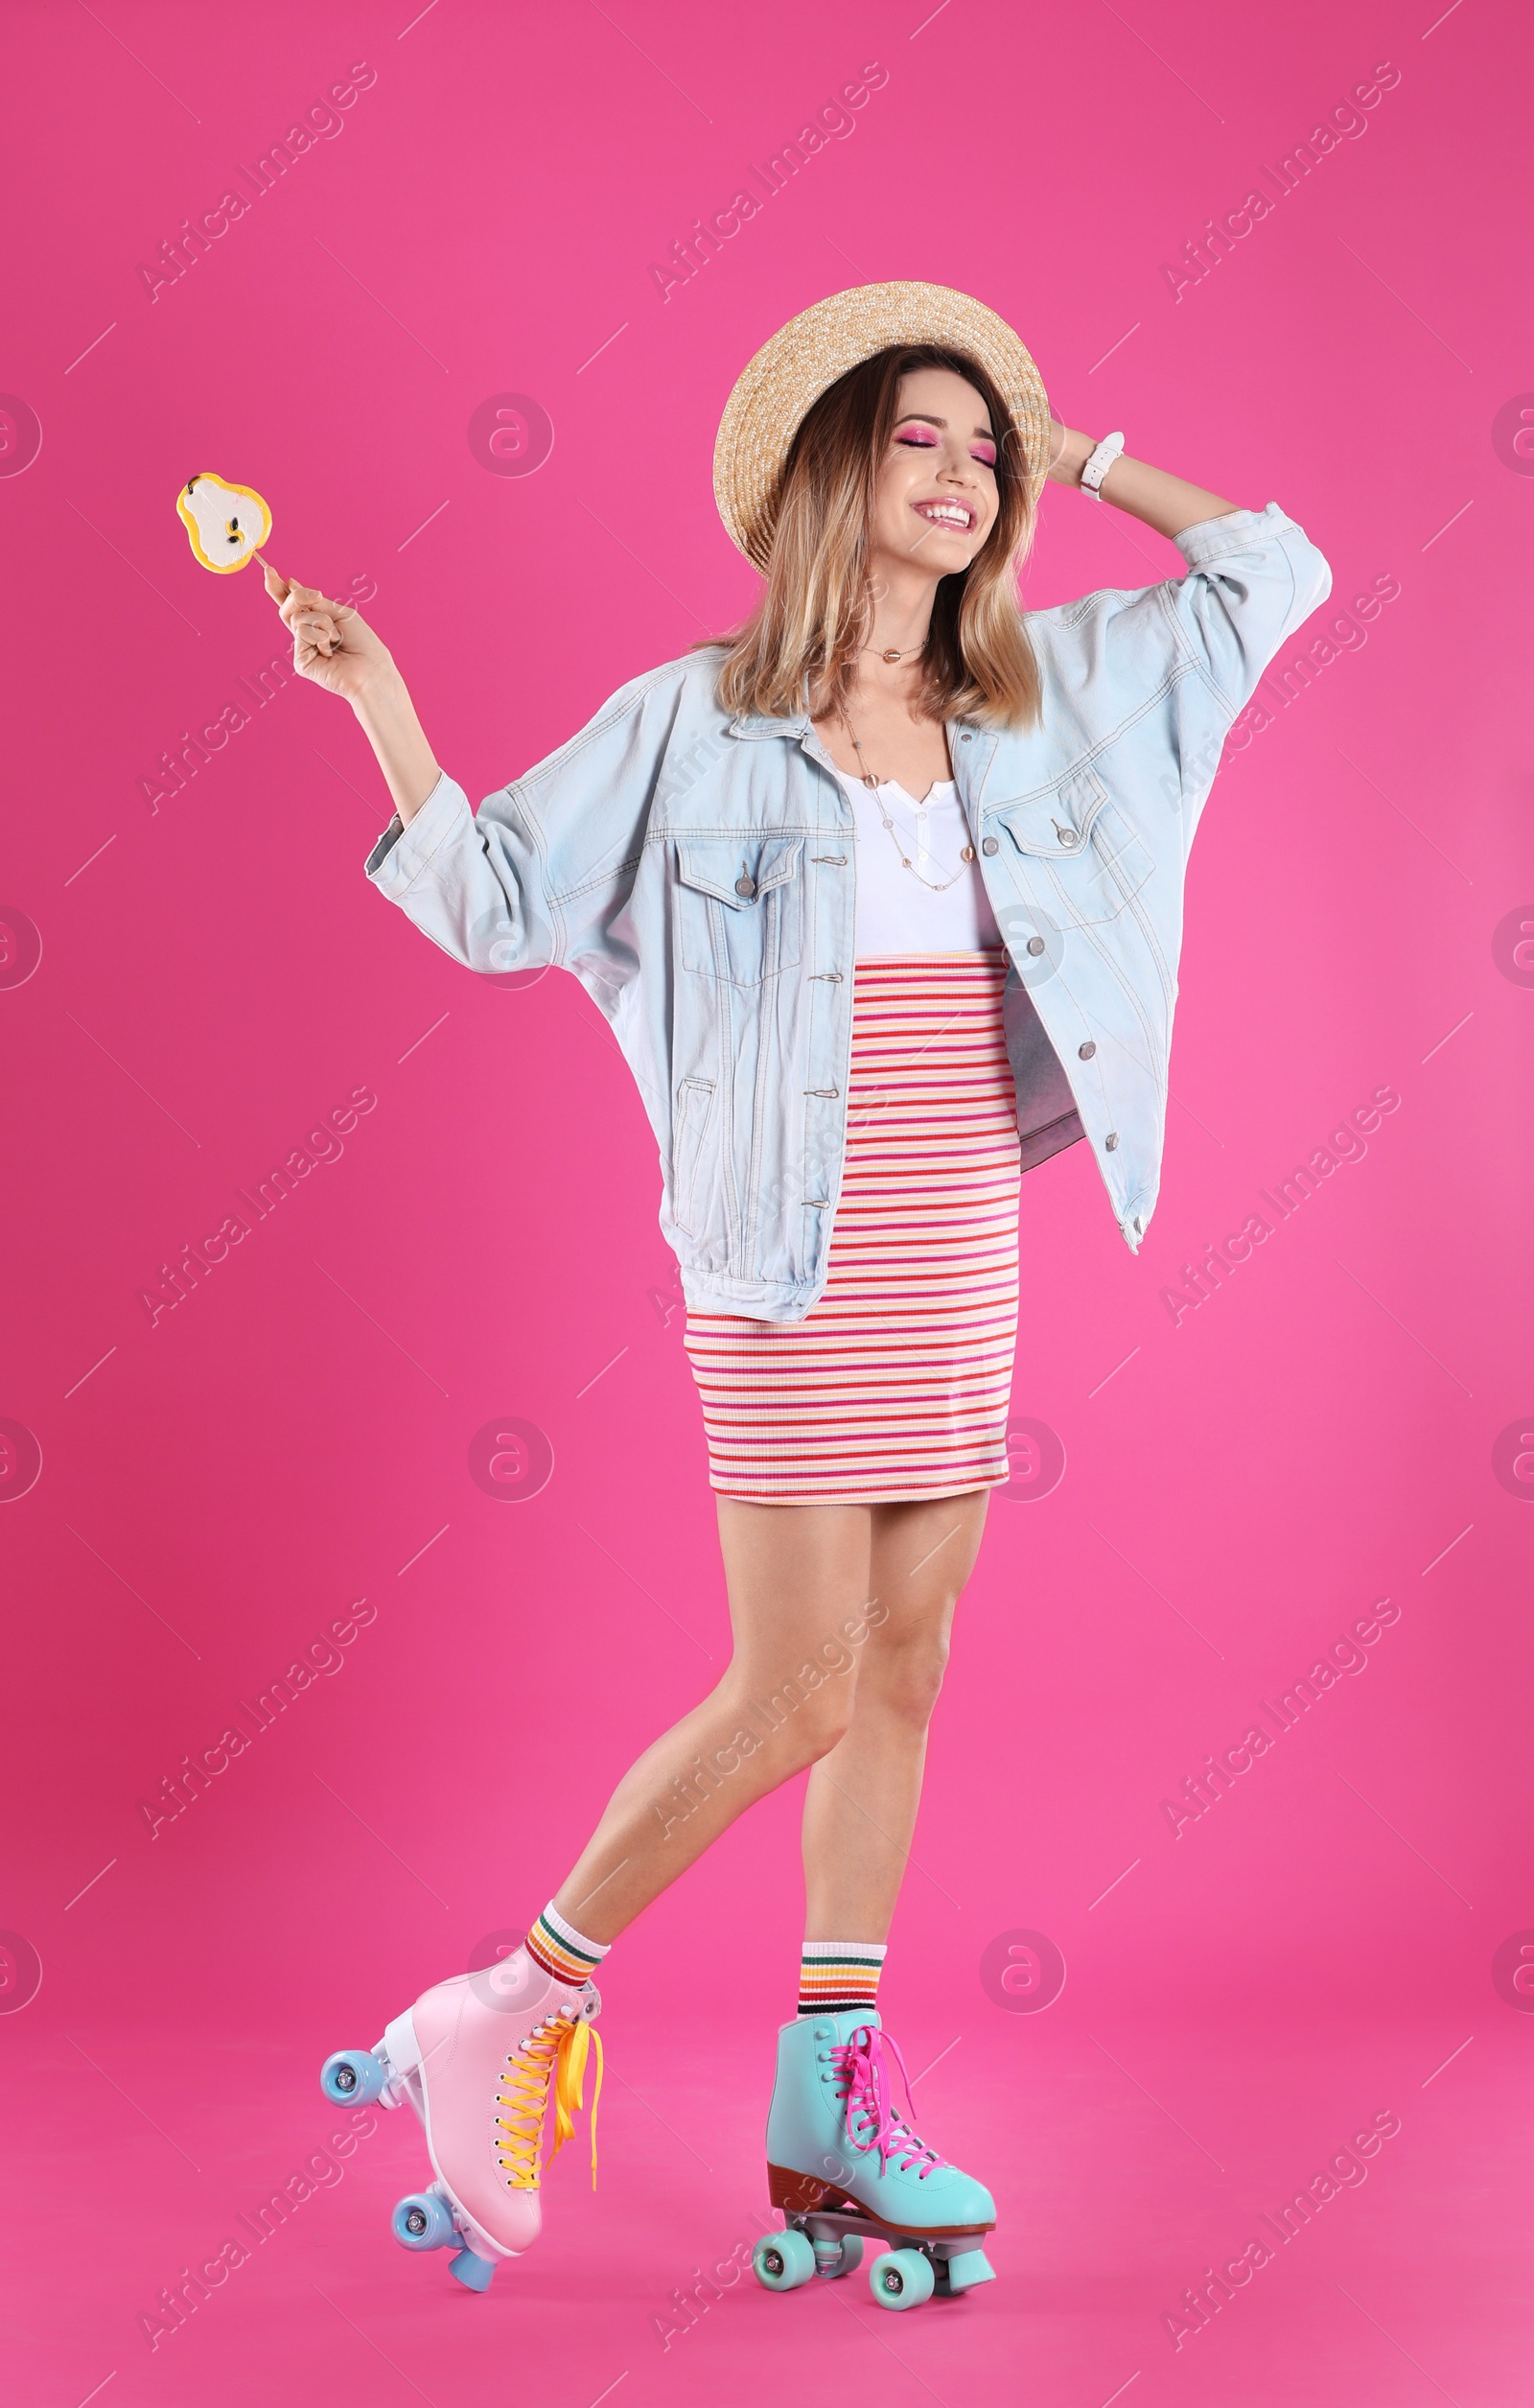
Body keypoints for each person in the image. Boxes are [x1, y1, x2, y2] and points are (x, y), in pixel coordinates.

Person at [292, 284, 1331, 2299]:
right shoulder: (697, 715)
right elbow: (495, 897)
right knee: (795, 1680)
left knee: (910, 1665)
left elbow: (1266, 570)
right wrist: (380, 699)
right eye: (918, 440)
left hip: (962, 1221)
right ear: (827, 479)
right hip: (782, 1244)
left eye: (981, 449)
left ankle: (829, 2080)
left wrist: (1086, 451)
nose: (957, 474)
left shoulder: (1045, 694)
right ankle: (508, 1995)